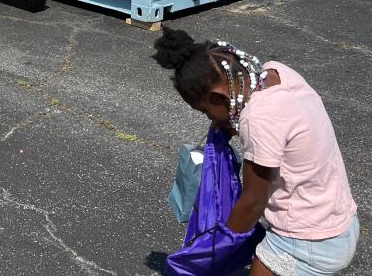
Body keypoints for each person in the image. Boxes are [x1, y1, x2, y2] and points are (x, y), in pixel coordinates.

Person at [153, 29, 359, 276]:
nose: (211, 121)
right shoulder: (277, 74)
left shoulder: (259, 119)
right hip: (339, 221)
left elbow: (253, 202)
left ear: (218, 97)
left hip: (306, 242)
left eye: (206, 112)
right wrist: (228, 121)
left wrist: (209, 254)